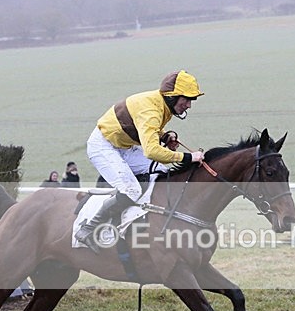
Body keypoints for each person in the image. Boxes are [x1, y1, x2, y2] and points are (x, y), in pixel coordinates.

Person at [76, 70, 206, 252]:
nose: (189, 105)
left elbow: (147, 129)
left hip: (124, 146)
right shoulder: (152, 110)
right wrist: (188, 157)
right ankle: (88, 228)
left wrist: (164, 136)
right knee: (132, 189)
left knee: (161, 172)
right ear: (172, 96)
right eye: (186, 99)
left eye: (192, 100)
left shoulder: (162, 105)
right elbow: (151, 151)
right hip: (104, 147)